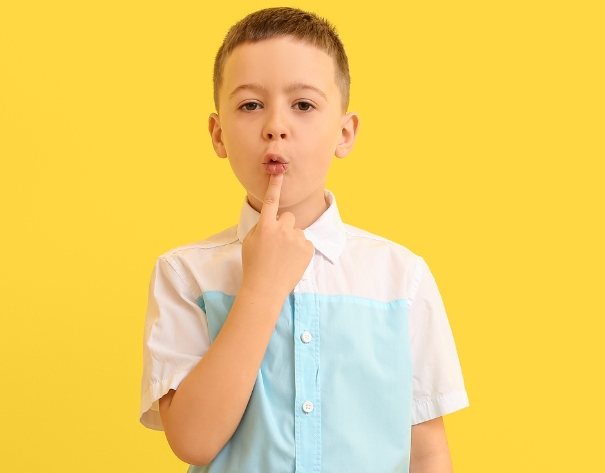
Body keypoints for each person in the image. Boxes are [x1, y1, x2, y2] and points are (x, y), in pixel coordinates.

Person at [139, 7, 468, 472]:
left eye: (304, 105)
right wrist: (261, 286)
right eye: (250, 105)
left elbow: (428, 451)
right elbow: (193, 440)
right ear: (218, 135)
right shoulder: (186, 275)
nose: (276, 125)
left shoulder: (401, 279)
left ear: (344, 133)